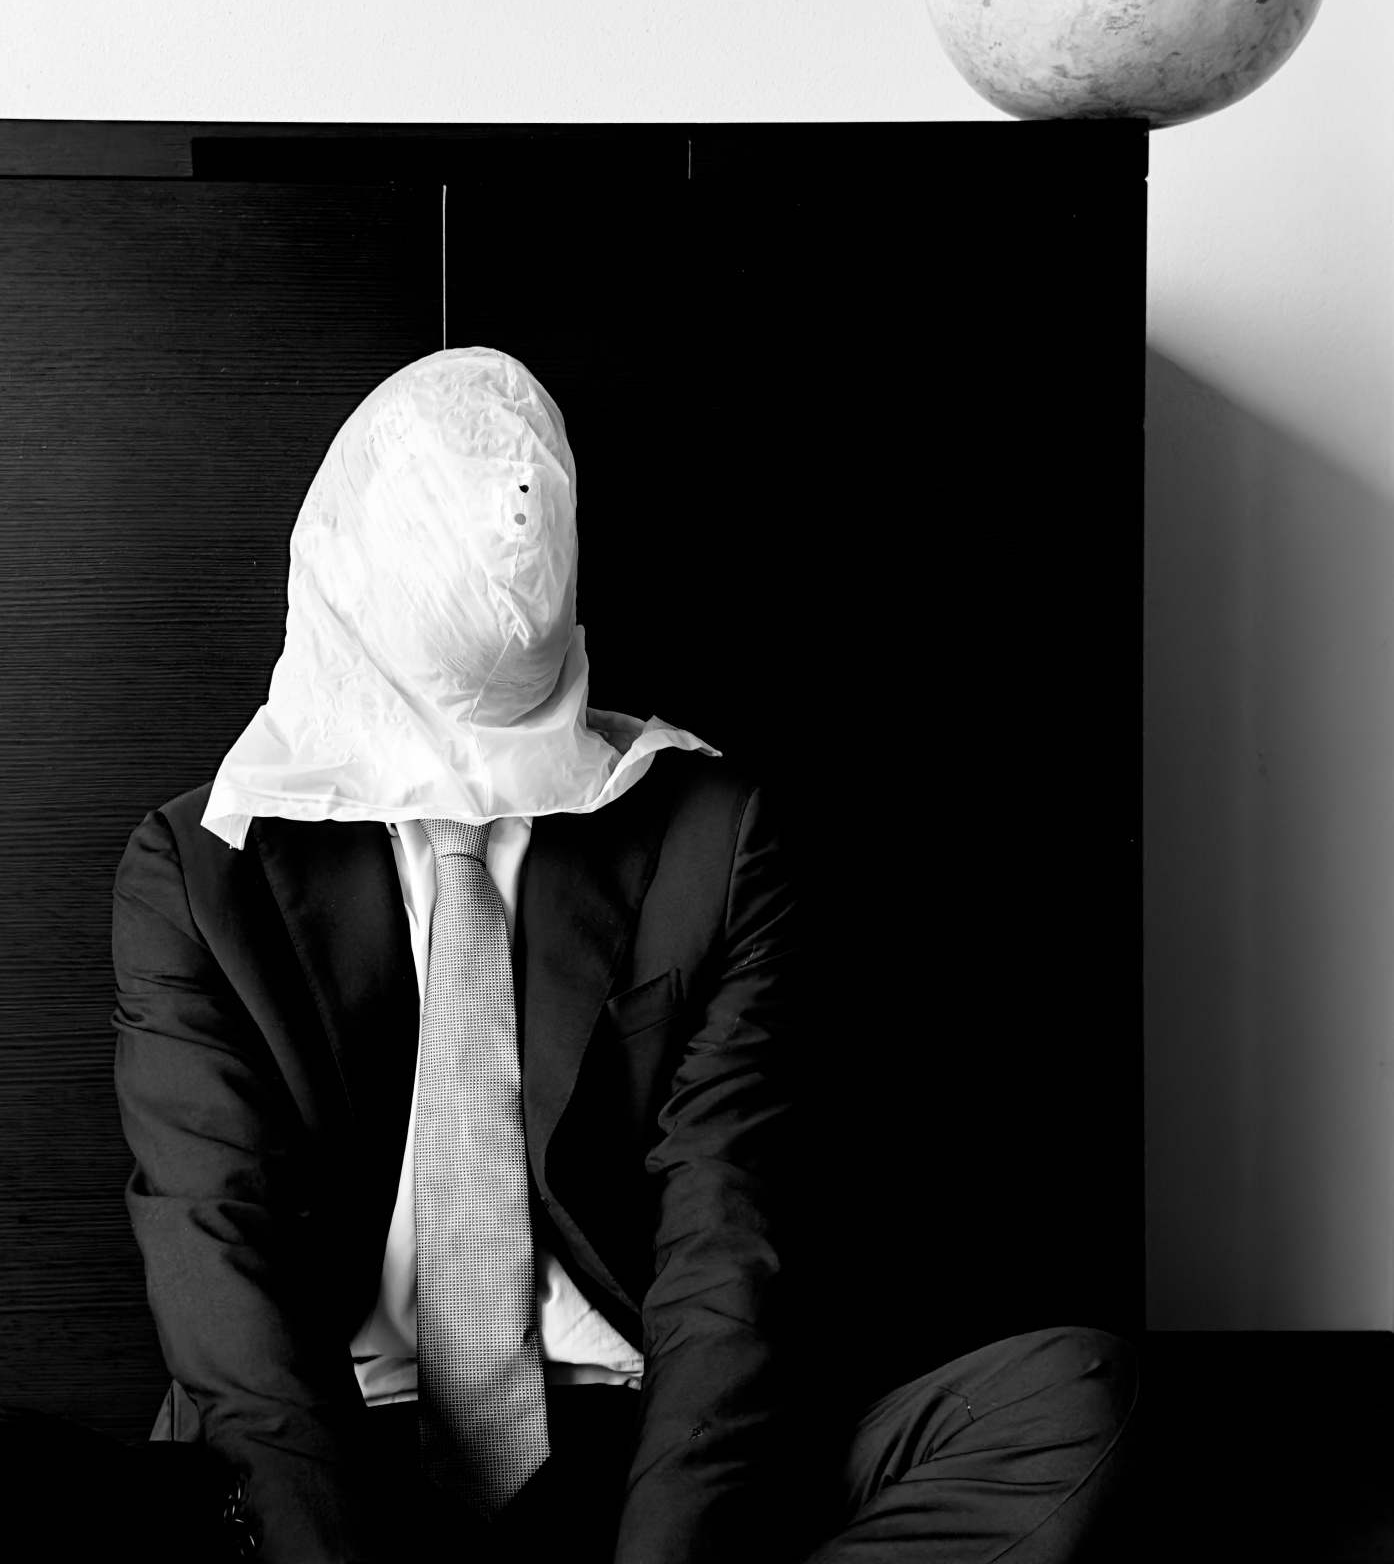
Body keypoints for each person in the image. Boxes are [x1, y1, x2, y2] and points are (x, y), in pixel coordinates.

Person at [58, 347, 1140, 1561]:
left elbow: (724, 1238)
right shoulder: (200, 868)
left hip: (637, 1449)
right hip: (327, 1457)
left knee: (1073, 1398)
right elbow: (224, 1260)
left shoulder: (707, 835)